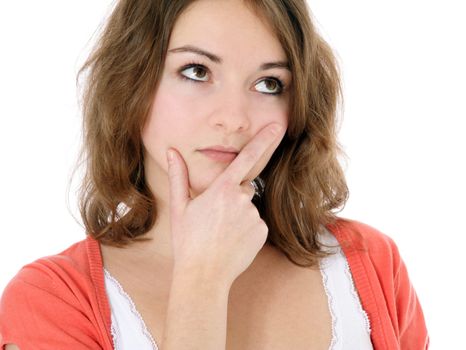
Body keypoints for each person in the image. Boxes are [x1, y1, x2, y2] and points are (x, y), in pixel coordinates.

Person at [0, 0, 429, 349]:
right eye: (197, 71)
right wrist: (201, 281)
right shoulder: (52, 300)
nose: (234, 119)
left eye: (269, 83)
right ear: (130, 83)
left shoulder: (370, 263)